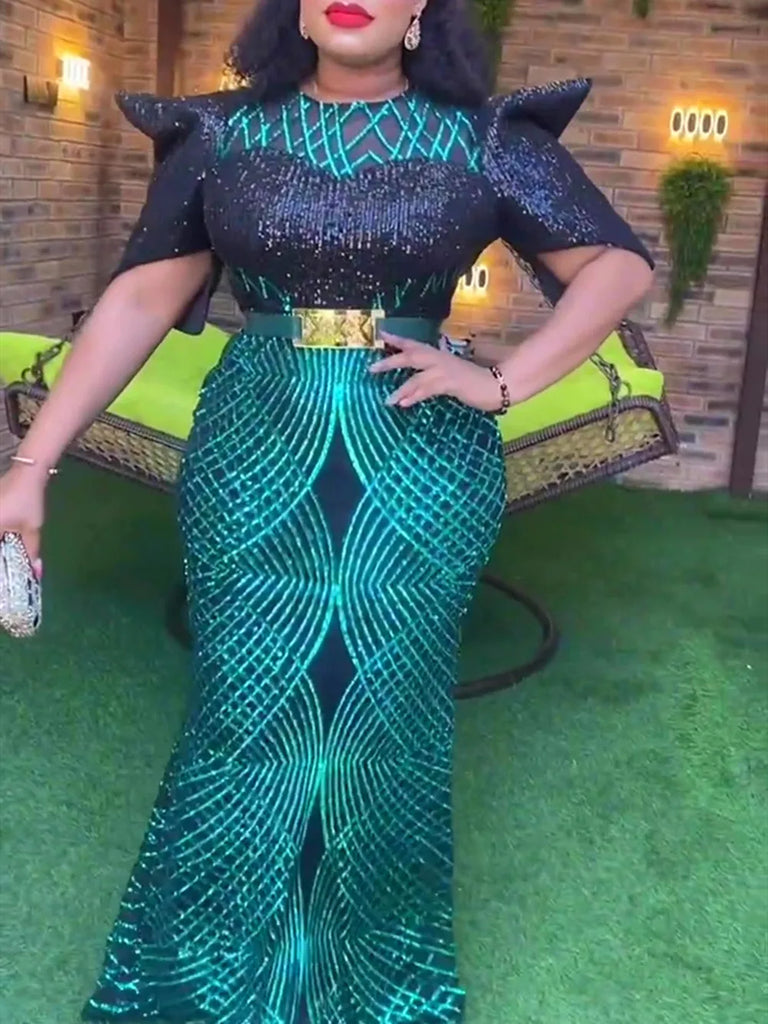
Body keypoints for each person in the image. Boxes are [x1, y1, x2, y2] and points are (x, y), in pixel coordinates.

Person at [0, 0, 654, 1020]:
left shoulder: (484, 137)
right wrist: (32, 464)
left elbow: (616, 266)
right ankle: (200, 987)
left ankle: (374, 993)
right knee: (243, 715)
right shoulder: (222, 134)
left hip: (419, 463)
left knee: (384, 723)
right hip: (255, 450)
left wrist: (502, 382)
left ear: (421, 11)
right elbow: (139, 299)